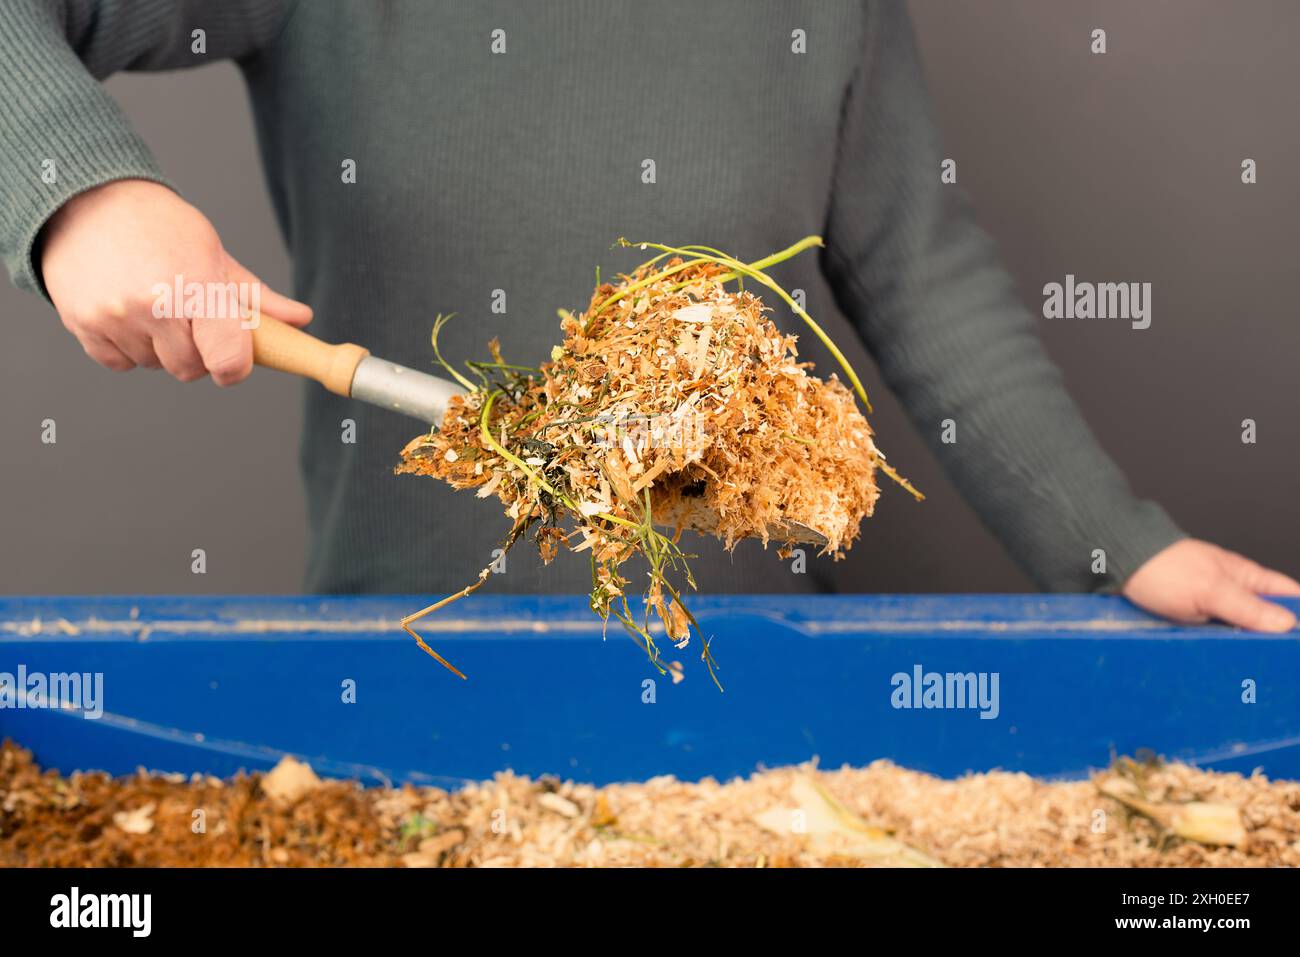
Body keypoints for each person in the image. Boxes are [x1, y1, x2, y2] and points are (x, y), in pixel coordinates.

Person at [2, 0, 1295, 630]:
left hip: (759, 668)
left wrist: (1115, 543)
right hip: (416, 665)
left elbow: (923, 274)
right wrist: (80, 191)